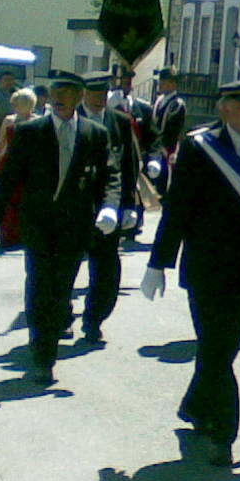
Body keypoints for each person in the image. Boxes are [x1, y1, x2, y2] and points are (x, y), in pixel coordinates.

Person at [141, 79, 240, 465]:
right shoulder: (201, 149)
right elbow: (178, 208)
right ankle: (223, 434)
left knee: (223, 348)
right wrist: (157, 262)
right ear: (223, 109)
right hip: (206, 269)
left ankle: (196, 404)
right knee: (216, 346)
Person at [0, 71, 121, 385]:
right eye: (56, 92)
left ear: (80, 97)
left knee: (61, 288)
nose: (60, 99)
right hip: (39, 224)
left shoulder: (95, 134)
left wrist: (110, 206)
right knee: (41, 284)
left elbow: (109, 176)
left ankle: (48, 340)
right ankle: (42, 354)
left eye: (69, 93)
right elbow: (10, 177)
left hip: (75, 226)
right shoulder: (31, 131)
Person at [76, 71, 140, 344]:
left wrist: (128, 205)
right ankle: (61, 315)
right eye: (94, 93)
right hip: (72, 208)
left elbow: (129, 164)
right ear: (83, 94)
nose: (99, 98)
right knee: (64, 270)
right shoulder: (69, 116)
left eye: (103, 93)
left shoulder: (120, 122)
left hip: (108, 207)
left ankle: (94, 319)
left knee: (106, 271)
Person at [0, 89, 38, 250]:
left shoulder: (38, 121)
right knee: (8, 200)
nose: (19, 106)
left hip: (30, 165)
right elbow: (1, 143)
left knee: (27, 201)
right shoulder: (9, 120)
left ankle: (26, 235)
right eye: (18, 103)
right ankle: (7, 235)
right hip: (8, 162)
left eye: (24, 103)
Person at [149, 66, 187, 192]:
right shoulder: (159, 101)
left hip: (166, 151)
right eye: (160, 81)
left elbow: (172, 131)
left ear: (173, 83)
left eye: (164, 81)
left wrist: (159, 147)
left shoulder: (177, 105)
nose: (160, 84)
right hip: (154, 150)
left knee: (164, 187)